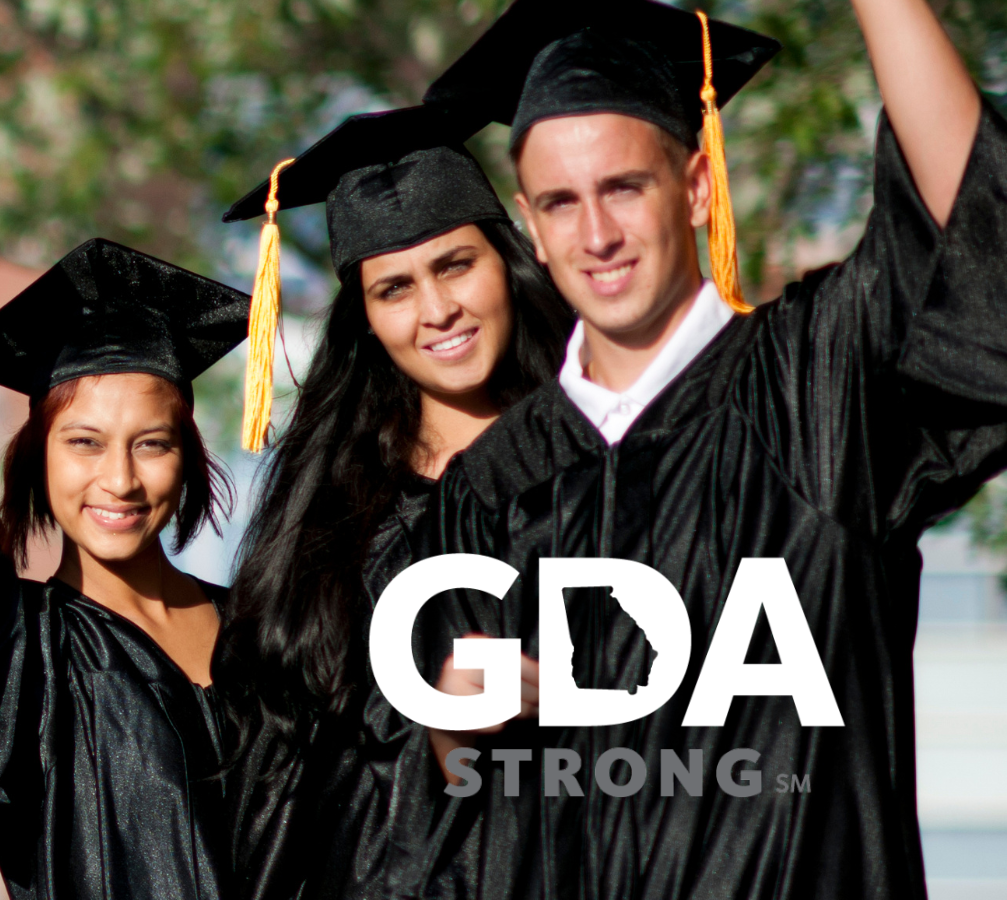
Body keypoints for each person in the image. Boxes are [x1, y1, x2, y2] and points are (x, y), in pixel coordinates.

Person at [393, 0, 1006, 895]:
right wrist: (453, 725)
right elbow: (454, 806)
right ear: (528, 223)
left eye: (623, 188)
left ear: (695, 187)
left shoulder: (814, 385)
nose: (595, 235)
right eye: (561, 203)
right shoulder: (487, 492)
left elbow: (973, 236)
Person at [206, 104, 575, 900]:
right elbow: (281, 767)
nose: (435, 311)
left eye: (455, 265)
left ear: (506, 263)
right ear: (366, 318)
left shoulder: (595, 464)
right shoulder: (327, 516)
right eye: (394, 288)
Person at [0, 234, 256, 898]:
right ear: (38, 455)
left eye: (152, 444)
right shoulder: (16, 647)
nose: (120, 479)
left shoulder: (265, 625)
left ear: (188, 455)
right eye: (84, 443)